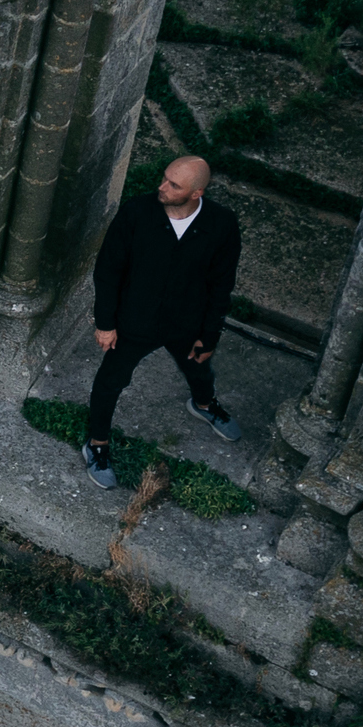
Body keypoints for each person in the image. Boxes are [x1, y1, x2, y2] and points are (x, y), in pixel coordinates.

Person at [79, 155, 242, 489]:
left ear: (196, 193)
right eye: (165, 178)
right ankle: (97, 444)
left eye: (173, 185)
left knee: (199, 369)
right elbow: (108, 270)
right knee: (111, 381)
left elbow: (221, 284)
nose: (162, 187)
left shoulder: (222, 223)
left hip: (187, 323)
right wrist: (105, 323)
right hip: (134, 322)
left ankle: (204, 405)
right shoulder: (137, 212)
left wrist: (210, 334)